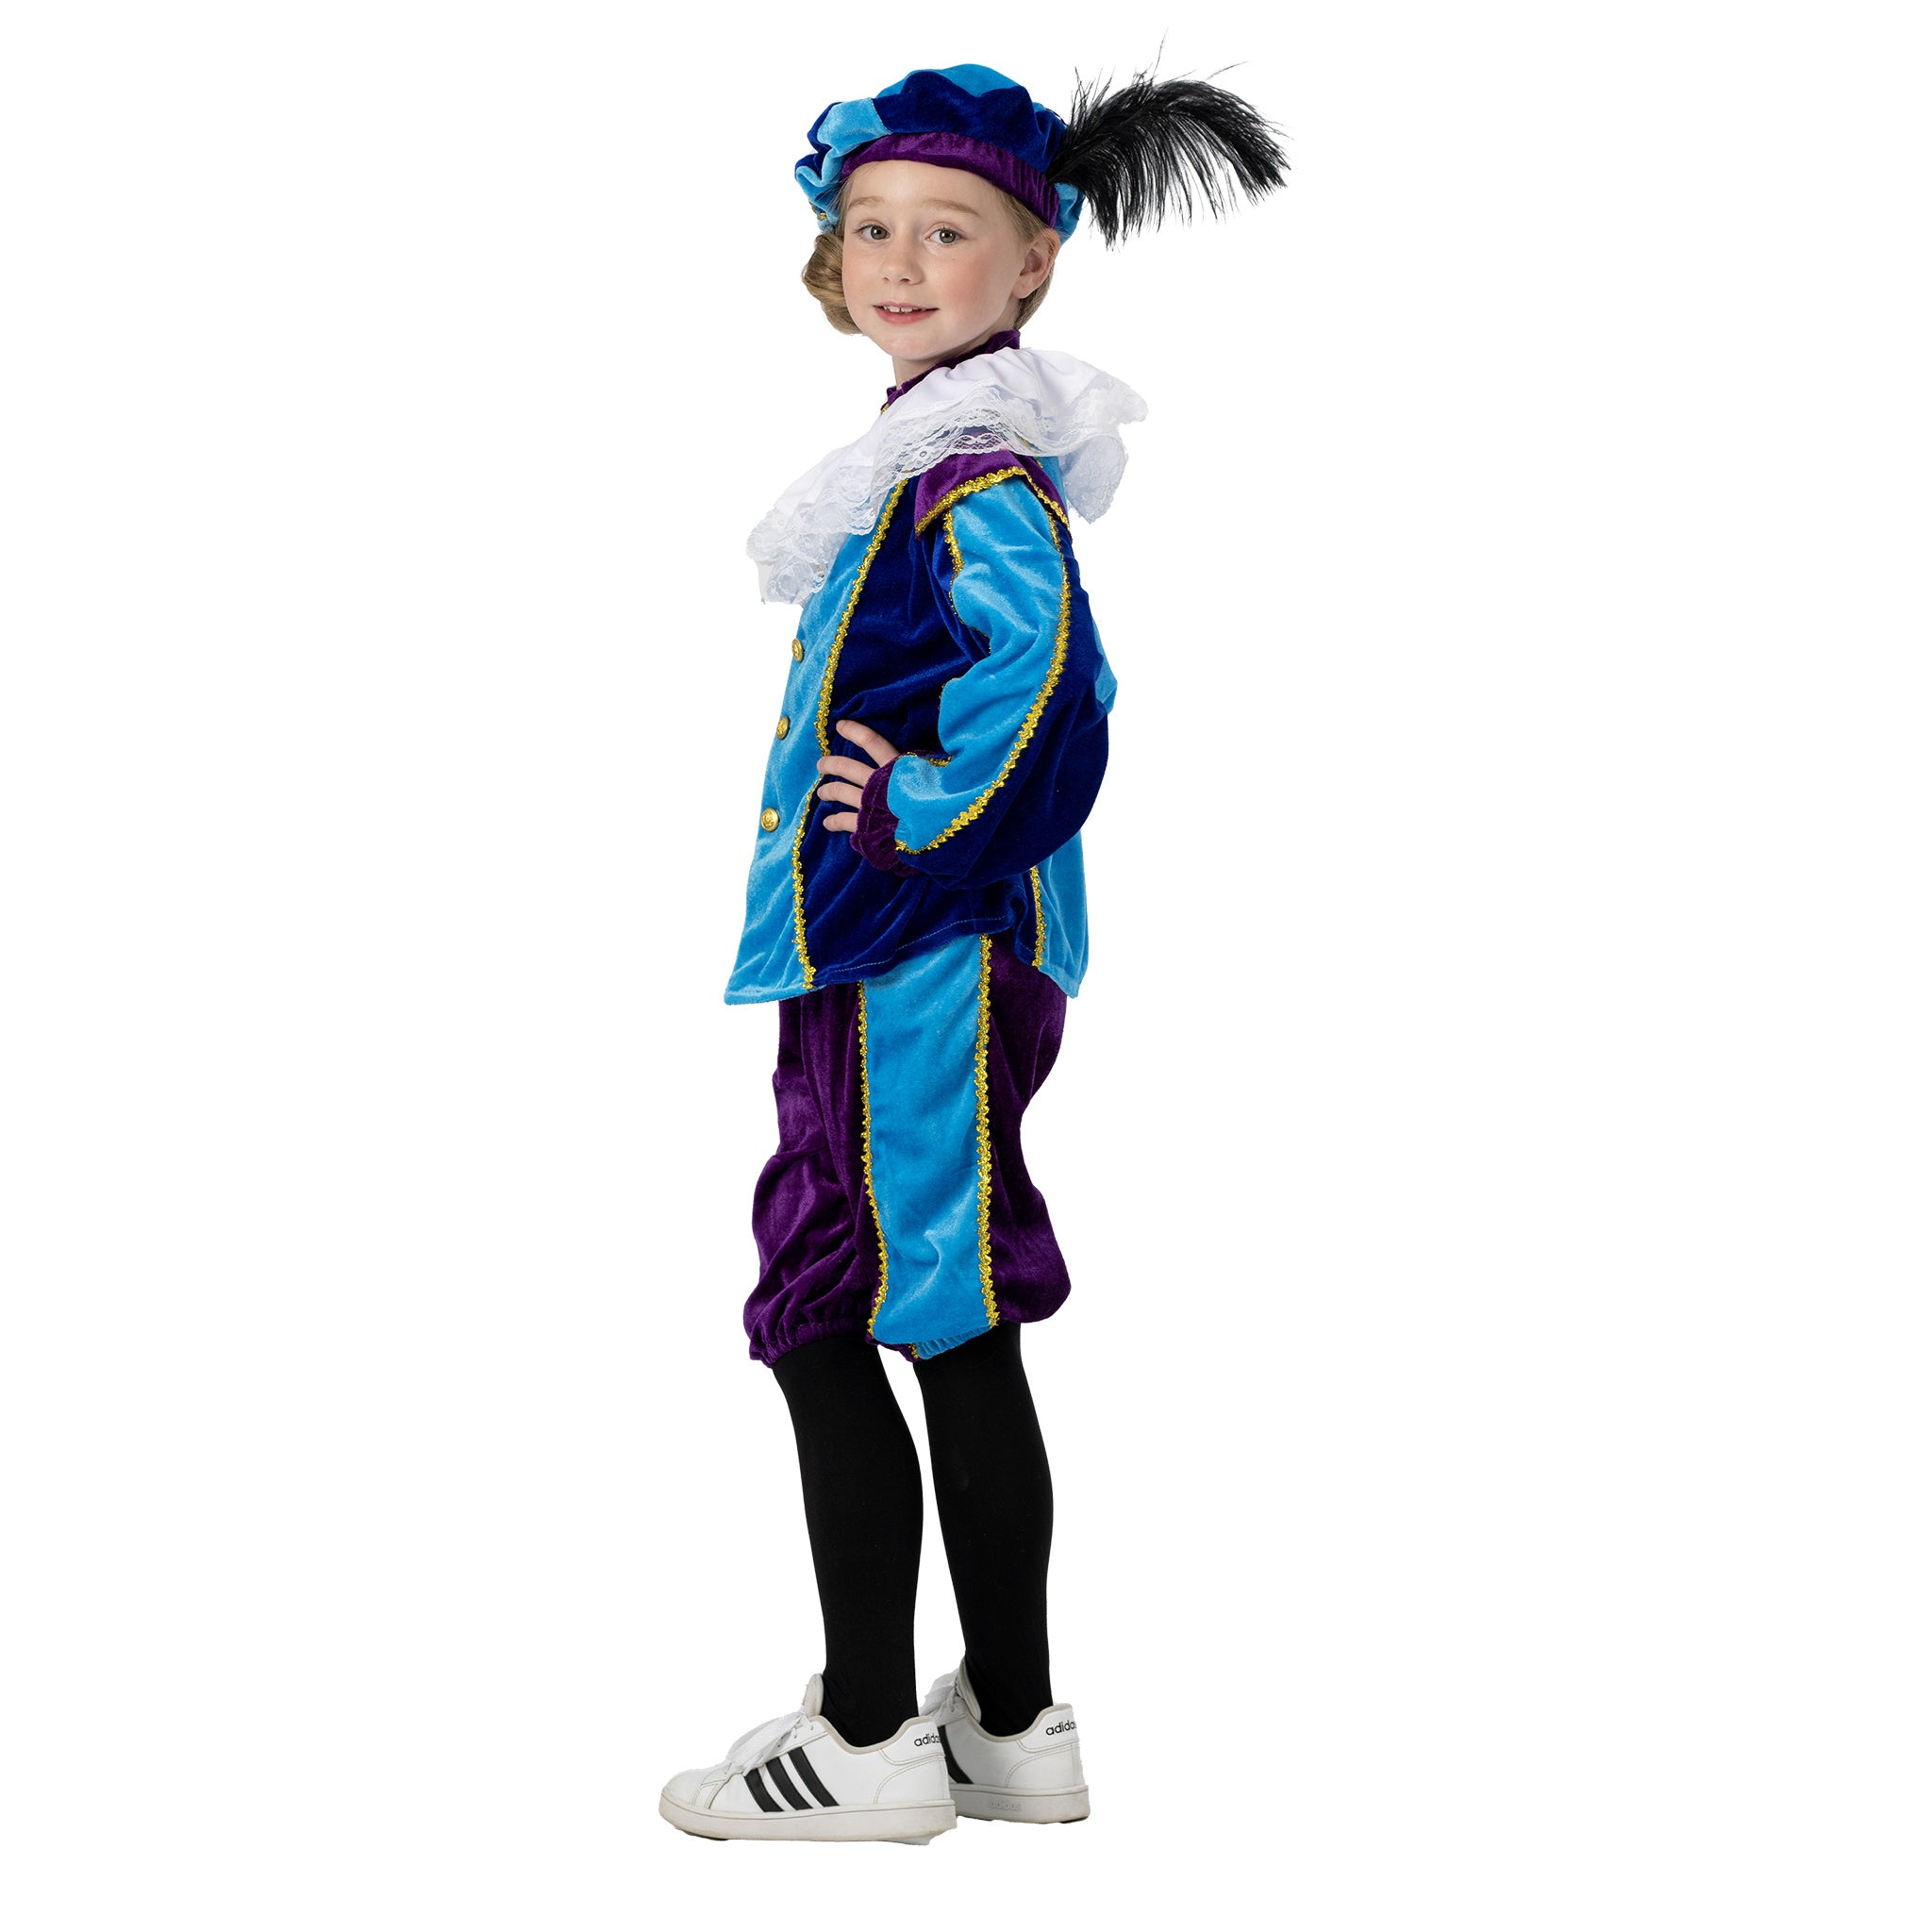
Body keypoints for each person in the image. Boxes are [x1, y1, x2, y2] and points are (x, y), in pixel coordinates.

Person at [658, 60, 1289, 1845]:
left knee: (840, 1299)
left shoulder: (973, 478)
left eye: (948, 231)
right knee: (947, 1307)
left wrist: (904, 818)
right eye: (872, 227)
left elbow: (1054, 694)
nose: (899, 260)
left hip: (916, 952)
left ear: (1032, 266)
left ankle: (869, 1735)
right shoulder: (931, 459)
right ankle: (1007, 1721)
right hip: (910, 953)